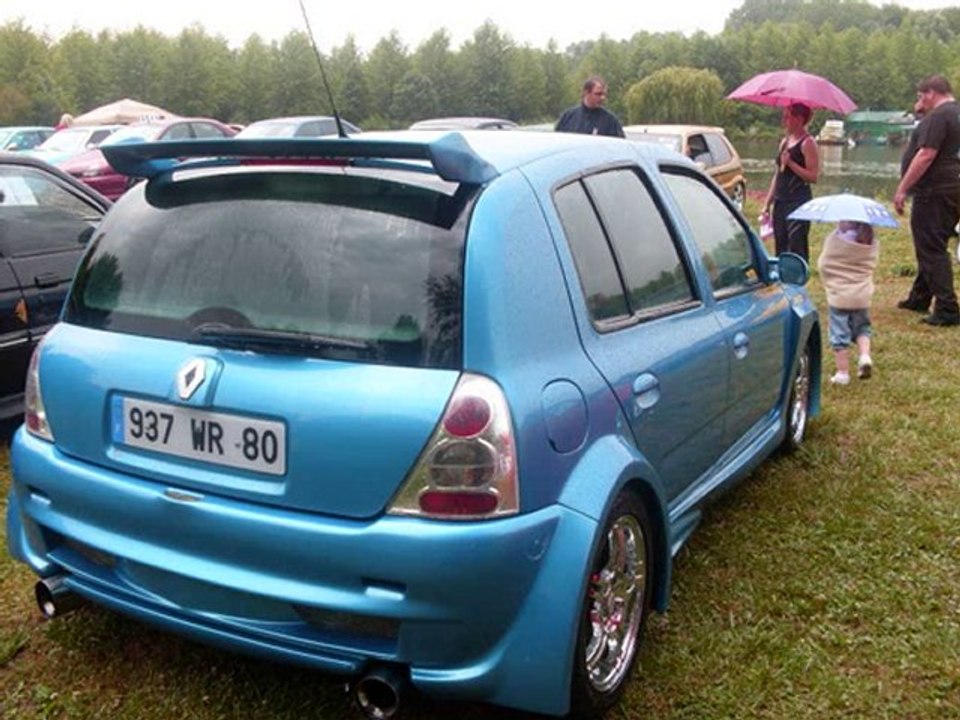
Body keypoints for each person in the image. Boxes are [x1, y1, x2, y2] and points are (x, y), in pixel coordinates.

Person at [893, 74, 960, 326]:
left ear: (931, 93)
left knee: (931, 248)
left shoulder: (939, 116)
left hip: (933, 191)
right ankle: (920, 296)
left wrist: (902, 188)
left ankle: (947, 308)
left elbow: (926, 154)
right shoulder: (956, 114)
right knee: (933, 242)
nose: (920, 102)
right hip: (952, 187)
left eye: (921, 97)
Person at [817, 221, 879, 385]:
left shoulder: (836, 240)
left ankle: (842, 373)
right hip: (862, 296)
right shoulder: (870, 241)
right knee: (862, 328)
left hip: (840, 297)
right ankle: (865, 356)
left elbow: (824, 264)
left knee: (839, 334)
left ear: (847, 222)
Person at [761, 103, 820, 260]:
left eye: (787, 117)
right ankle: (783, 275)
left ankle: (798, 277)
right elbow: (778, 175)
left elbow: (813, 176)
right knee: (781, 242)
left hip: (798, 201)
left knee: (796, 243)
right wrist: (767, 203)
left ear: (799, 119)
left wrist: (792, 164)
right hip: (781, 200)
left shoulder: (808, 143)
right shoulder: (785, 142)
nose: (784, 121)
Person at [555, 76, 625, 138]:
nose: (603, 98)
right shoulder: (568, 117)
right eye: (598, 94)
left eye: (604, 94)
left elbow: (620, 147)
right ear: (586, 92)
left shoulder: (611, 122)